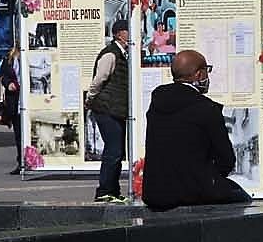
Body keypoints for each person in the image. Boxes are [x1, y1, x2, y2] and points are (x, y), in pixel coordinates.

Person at [140, 50, 252, 212]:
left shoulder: (157, 102)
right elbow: (226, 160)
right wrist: (207, 175)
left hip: (155, 192)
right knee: (243, 199)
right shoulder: (207, 109)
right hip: (193, 192)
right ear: (199, 74)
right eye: (207, 70)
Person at [86, 19, 132, 203]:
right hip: (106, 109)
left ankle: (113, 190)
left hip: (116, 109)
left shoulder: (122, 54)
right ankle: (104, 190)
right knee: (113, 151)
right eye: (128, 31)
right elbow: (99, 79)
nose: (131, 34)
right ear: (120, 34)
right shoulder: (110, 55)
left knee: (117, 151)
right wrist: (90, 98)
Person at [0, 45, 23, 173]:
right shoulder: (10, 58)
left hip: (30, 100)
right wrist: (8, 84)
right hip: (15, 102)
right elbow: (1, 75)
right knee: (19, 135)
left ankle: (33, 161)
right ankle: (21, 163)